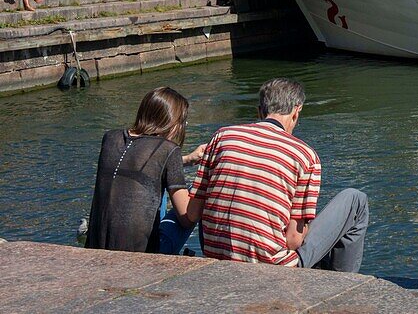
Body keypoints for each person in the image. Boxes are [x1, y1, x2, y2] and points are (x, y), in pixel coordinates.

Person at [187, 78, 369, 271]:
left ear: (259, 111)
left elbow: (192, 213)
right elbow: (293, 241)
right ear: (296, 112)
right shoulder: (305, 155)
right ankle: (341, 284)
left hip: (215, 255)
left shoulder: (222, 137)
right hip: (272, 267)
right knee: (355, 200)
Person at [85, 87, 206, 254]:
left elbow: (138, 169)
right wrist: (207, 179)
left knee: (152, 185)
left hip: (96, 248)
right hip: (141, 256)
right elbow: (186, 218)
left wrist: (185, 161)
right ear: (172, 122)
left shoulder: (110, 138)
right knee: (196, 193)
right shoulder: (168, 149)